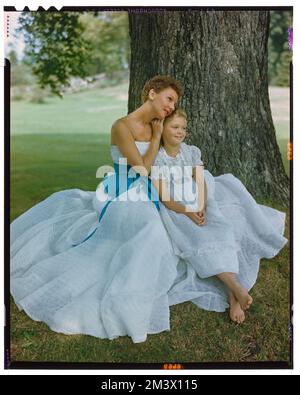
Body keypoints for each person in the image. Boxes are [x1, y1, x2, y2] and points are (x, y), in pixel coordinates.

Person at [10, 75, 185, 344]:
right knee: (150, 228)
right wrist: (157, 138)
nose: (172, 106)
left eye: (175, 102)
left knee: (161, 228)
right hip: (120, 191)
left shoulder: (158, 125)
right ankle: (126, 298)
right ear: (152, 93)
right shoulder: (122, 126)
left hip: (148, 190)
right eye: (169, 98)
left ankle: (138, 281)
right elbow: (140, 169)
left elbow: (167, 158)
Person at [150, 108, 288, 324]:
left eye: (183, 128)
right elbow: (165, 198)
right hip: (176, 208)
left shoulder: (191, 151)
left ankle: (234, 294)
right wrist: (188, 212)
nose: (180, 132)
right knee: (199, 238)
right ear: (161, 128)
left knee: (222, 230)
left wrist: (202, 205)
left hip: (198, 199)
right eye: (174, 127)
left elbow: (201, 181)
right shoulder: (157, 158)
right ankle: (235, 289)